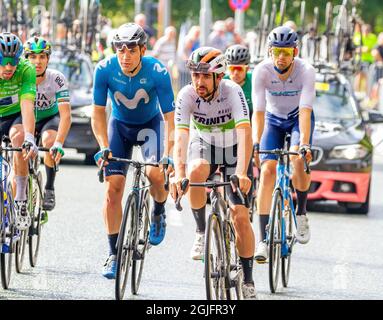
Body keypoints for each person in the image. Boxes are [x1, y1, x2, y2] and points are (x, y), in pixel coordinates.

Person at [171, 47, 256, 299]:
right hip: (205, 145)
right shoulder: (186, 95)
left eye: (205, 76)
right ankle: (200, 231)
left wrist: (241, 172)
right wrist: (178, 173)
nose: (199, 81)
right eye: (196, 75)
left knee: (240, 216)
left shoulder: (233, 91)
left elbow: (244, 132)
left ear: (219, 77)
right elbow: (181, 137)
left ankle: (249, 279)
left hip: (233, 150)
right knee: (194, 170)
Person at [91, 23, 175, 279]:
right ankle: (113, 254)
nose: (125, 56)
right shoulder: (104, 69)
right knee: (112, 188)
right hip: (120, 127)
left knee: (155, 175)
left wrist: (168, 154)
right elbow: (97, 113)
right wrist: (103, 146)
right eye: (120, 50)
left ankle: (159, 211)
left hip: (151, 127)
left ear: (142, 50)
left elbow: (171, 119)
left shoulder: (158, 72)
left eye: (131, 50)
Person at [252, 26, 315, 263]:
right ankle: (262, 239)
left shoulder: (306, 71)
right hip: (272, 120)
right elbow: (258, 113)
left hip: (298, 119)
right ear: (270, 51)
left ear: (295, 52)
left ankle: (301, 212)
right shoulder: (262, 70)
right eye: (277, 51)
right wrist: (257, 143)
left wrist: (305, 145)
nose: (281, 56)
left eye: (287, 52)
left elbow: (307, 111)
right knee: (267, 172)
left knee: (298, 159)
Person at [24, 36, 72, 211]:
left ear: (48, 59)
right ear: (26, 58)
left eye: (42, 56)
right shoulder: (20, 77)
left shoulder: (56, 78)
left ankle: (49, 187)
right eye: (33, 57)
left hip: (48, 119)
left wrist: (59, 143)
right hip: (25, 118)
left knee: (49, 141)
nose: (38, 61)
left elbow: (66, 115)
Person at [0, 32, 38, 230]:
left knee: (19, 137)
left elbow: (27, 105)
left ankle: (21, 197)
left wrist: (30, 138)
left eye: (13, 62)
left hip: (16, 115)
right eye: (4, 62)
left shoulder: (26, 70)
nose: (9, 67)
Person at [224, 44, 253, 118]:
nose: (236, 73)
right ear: (227, 68)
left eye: (240, 68)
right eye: (232, 68)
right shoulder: (221, 82)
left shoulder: (254, 80)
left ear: (247, 69)